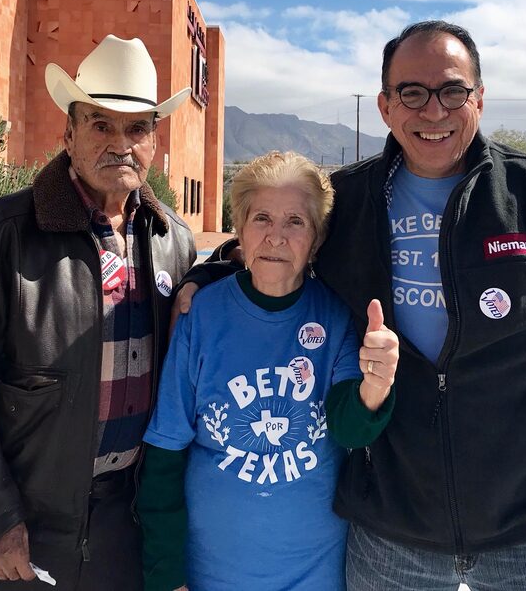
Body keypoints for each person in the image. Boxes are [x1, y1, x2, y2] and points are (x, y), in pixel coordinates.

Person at [175, 22, 526, 591]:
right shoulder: (349, 202)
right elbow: (277, 240)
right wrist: (211, 270)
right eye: (412, 93)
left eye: (452, 91)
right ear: (387, 107)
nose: (433, 111)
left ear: (480, 99)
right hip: (391, 532)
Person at [0, 35, 197, 591]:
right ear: (68, 133)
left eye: (137, 127)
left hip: (127, 534)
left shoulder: (173, 243)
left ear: (155, 141)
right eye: (100, 124)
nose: (121, 143)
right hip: (20, 536)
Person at [137, 151, 400, 591]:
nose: (276, 237)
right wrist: (167, 574)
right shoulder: (201, 314)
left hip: (314, 574)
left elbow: (350, 429)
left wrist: (376, 385)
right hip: (210, 574)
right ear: (239, 229)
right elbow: (165, 453)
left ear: (316, 239)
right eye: (262, 218)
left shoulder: (334, 316)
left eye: (295, 221)